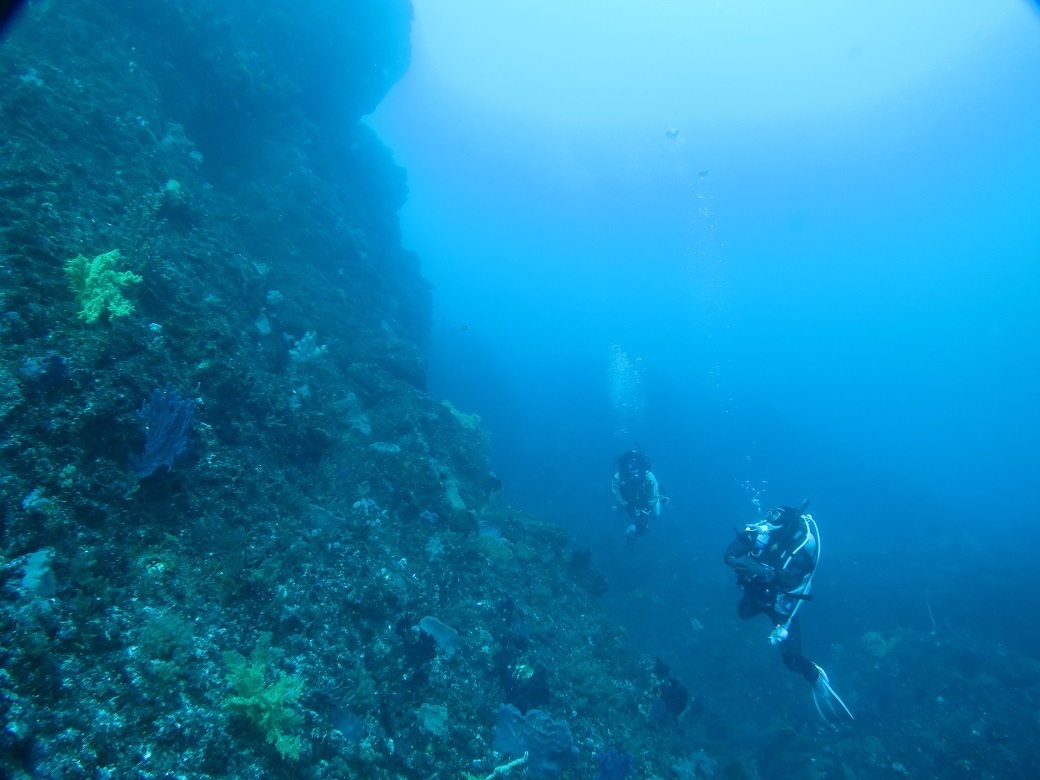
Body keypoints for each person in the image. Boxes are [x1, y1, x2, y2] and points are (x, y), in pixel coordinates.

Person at [723, 503, 854, 723]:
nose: (769, 520)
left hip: (783, 603)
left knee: (792, 660)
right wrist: (731, 558)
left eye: (775, 517)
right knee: (743, 613)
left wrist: (768, 573)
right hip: (759, 593)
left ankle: (815, 677)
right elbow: (740, 543)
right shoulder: (765, 530)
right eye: (769, 515)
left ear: (787, 523)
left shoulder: (804, 543)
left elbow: (797, 578)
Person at [611, 449, 663, 545]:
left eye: (635, 464)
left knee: (655, 515)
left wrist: (647, 509)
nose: (633, 467)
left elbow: (654, 495)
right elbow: (618, 496)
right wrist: (628, 506)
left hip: (647, 500)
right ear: (624, 465)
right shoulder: (618, 477)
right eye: (629, 464)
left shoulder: (648, 475)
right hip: (630, 502)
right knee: (635, 518)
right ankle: (636, 531)